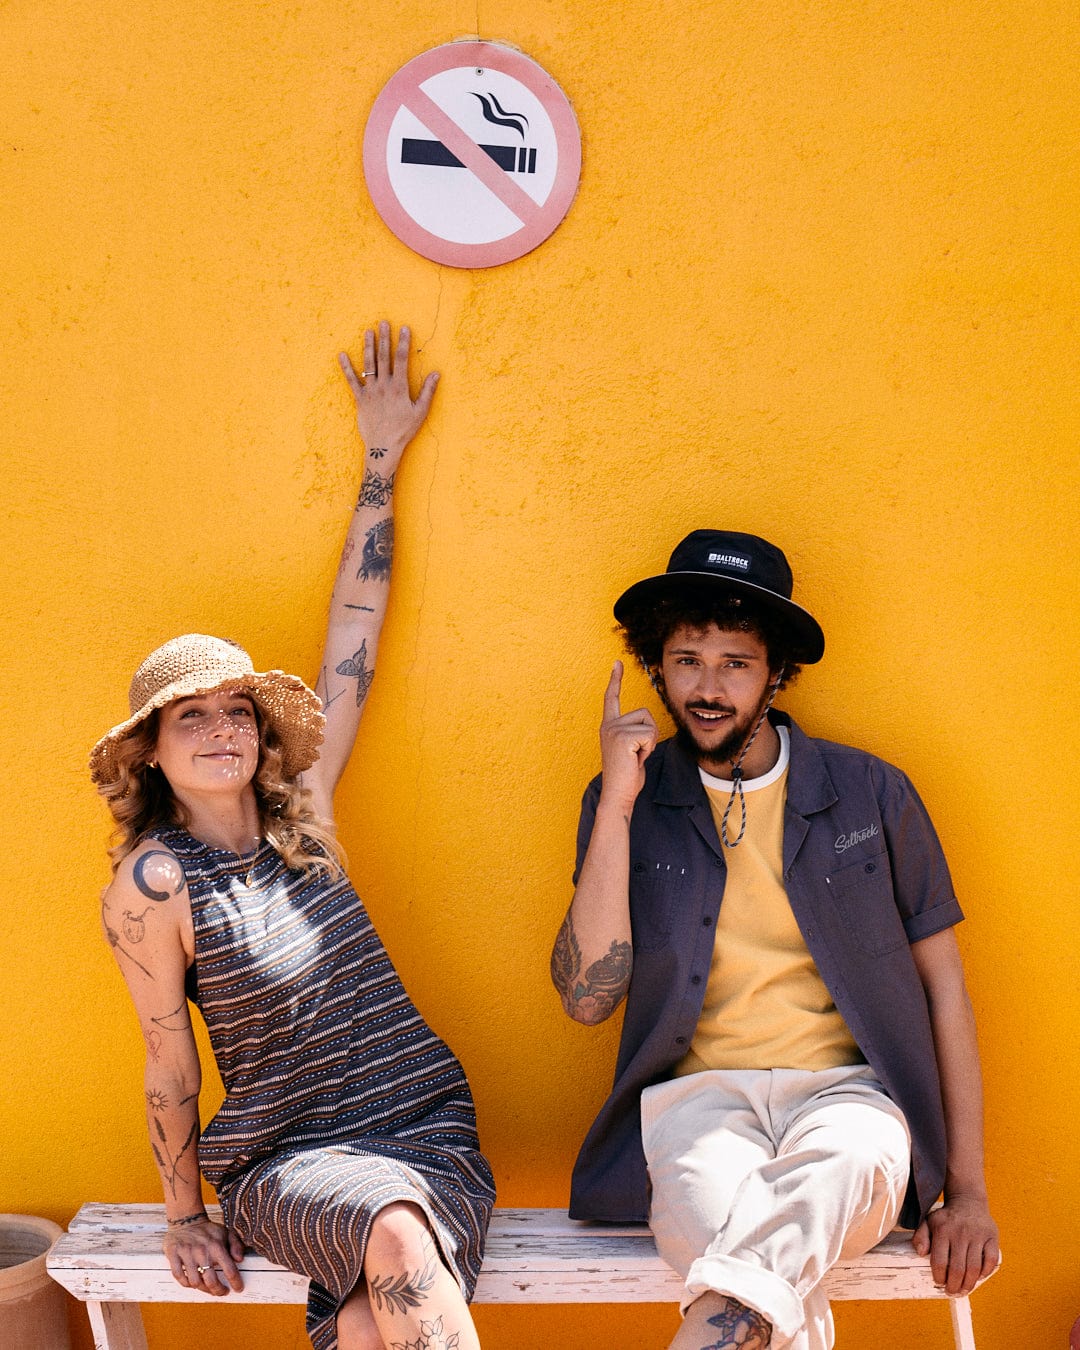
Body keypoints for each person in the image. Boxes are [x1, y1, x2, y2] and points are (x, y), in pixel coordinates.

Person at [91, 323, 494, 1350]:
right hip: (288, 1159)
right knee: (397, 1238)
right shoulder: (155, 883)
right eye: (192, 715)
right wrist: (185, 1211)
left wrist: (379, 466)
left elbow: (353, 629)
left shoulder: (303, 812)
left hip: (423, 1121)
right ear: (151, 751)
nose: (222, 726)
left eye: (238, 710)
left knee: (368, 1330)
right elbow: (168, 1064)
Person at [550, 530, 998, 1350]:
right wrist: (616, 805)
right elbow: (587, 1000)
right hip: (697, 1103)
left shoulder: (870, 791)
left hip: (851, 1099)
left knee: (831, 1178)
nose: (708, 688)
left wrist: (967, 1189)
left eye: (735, 663)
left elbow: (945, 990)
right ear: (656, 666)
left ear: (777, 673)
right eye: (687, 660)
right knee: (744, 1264)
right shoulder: (626, 800)